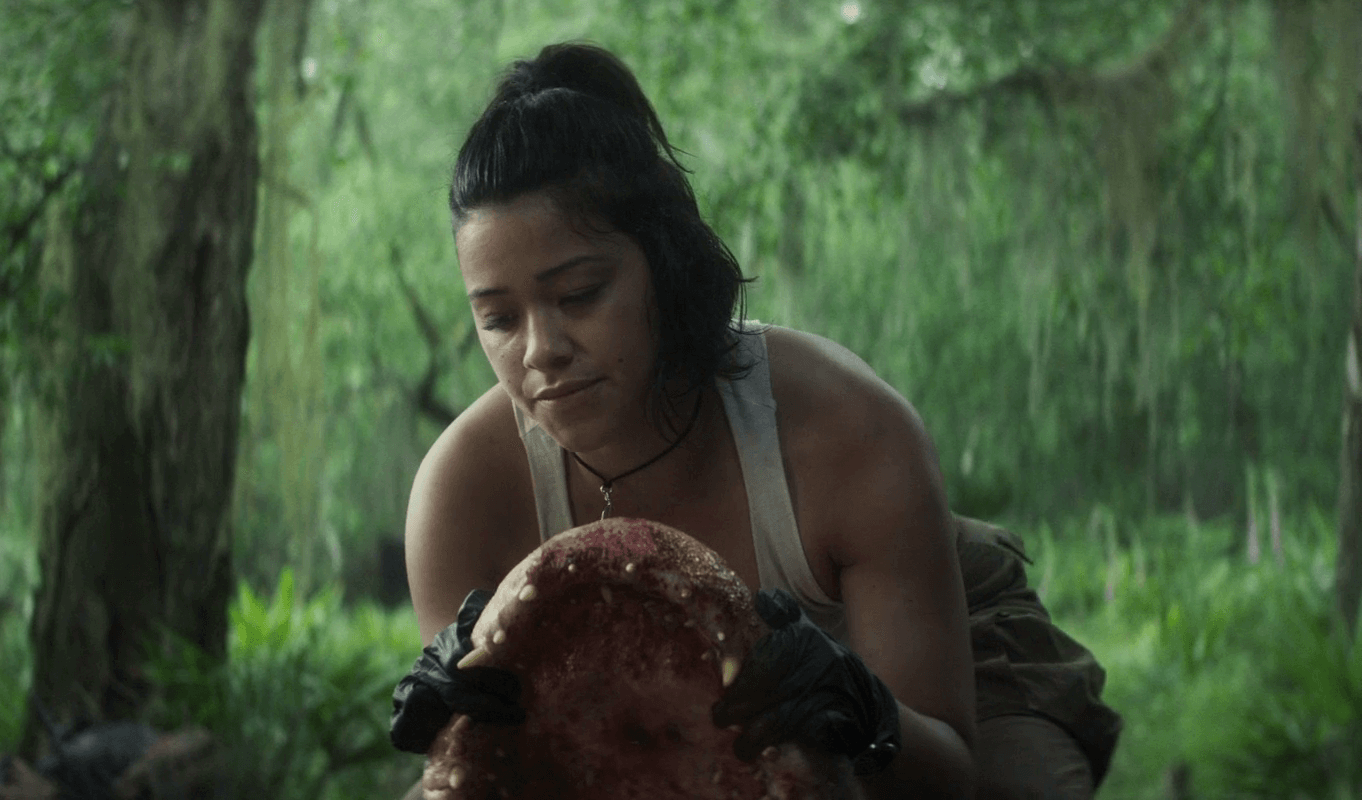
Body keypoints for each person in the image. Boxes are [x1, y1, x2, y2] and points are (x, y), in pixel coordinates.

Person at [390, 42, 1121, 799]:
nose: (540, 350)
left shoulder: (847, 428)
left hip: (942, 661)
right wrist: (453, 725)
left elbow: (950, 771)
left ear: (665, 264)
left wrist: (859, 704)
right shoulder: (461, 492)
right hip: (677, 713)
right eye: (498, 318)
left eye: (578, 295)